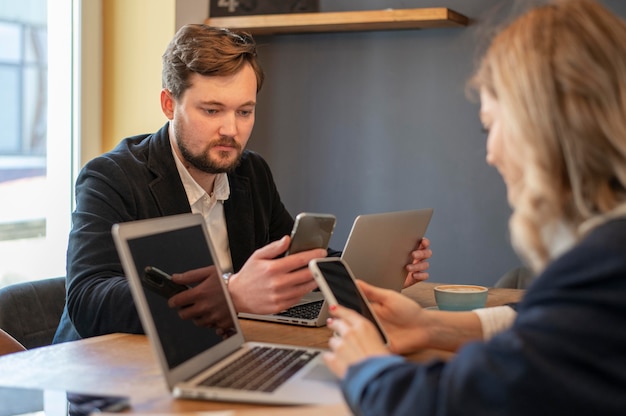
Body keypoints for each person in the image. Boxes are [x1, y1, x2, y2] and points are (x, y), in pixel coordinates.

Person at [322, 1, 626, 414]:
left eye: (491, 125)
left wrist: (367, 368)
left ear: (536, 127)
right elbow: (556, 326)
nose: (491, 153)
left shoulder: (604, 265)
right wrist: (430, 325)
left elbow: (459, 402)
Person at [53, 25, 432, 343]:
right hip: (111, 377)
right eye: (212, 110)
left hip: (221, 348)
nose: (231, 130)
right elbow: (88, 301)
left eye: (245, 111)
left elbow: (291, 259)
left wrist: (373, 271)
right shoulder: (111, 177)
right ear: (169, 105)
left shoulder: (251, 172)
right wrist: (229, 295)